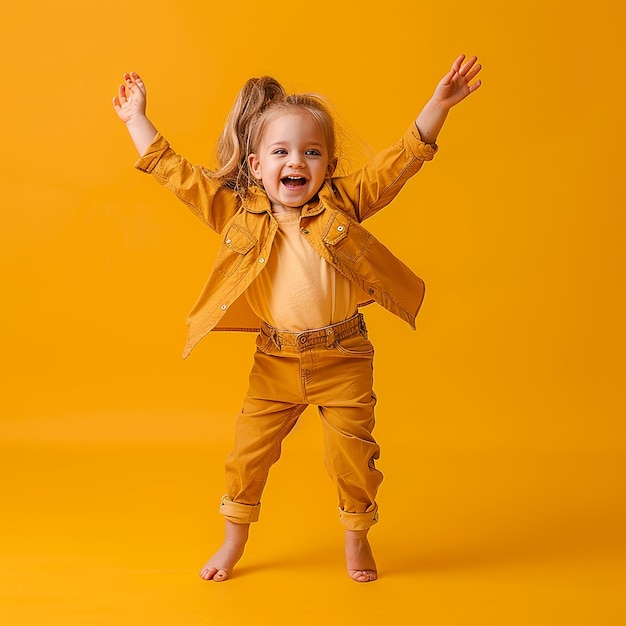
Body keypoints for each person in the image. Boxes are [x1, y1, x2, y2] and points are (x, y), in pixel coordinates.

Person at [112, 55, 482, 583]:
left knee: (352, 457)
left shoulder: (344, 204)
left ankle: (357, 537)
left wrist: (437, 106)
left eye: (312, 153)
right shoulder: (235, 213)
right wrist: (135, 120)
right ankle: (232, 541)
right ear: (256, 166)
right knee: (246, 457)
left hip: (343, 356)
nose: (297, 162)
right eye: (281, 152)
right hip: (275, 361)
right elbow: (180, 176)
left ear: (328, 166)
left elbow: (397, 163)